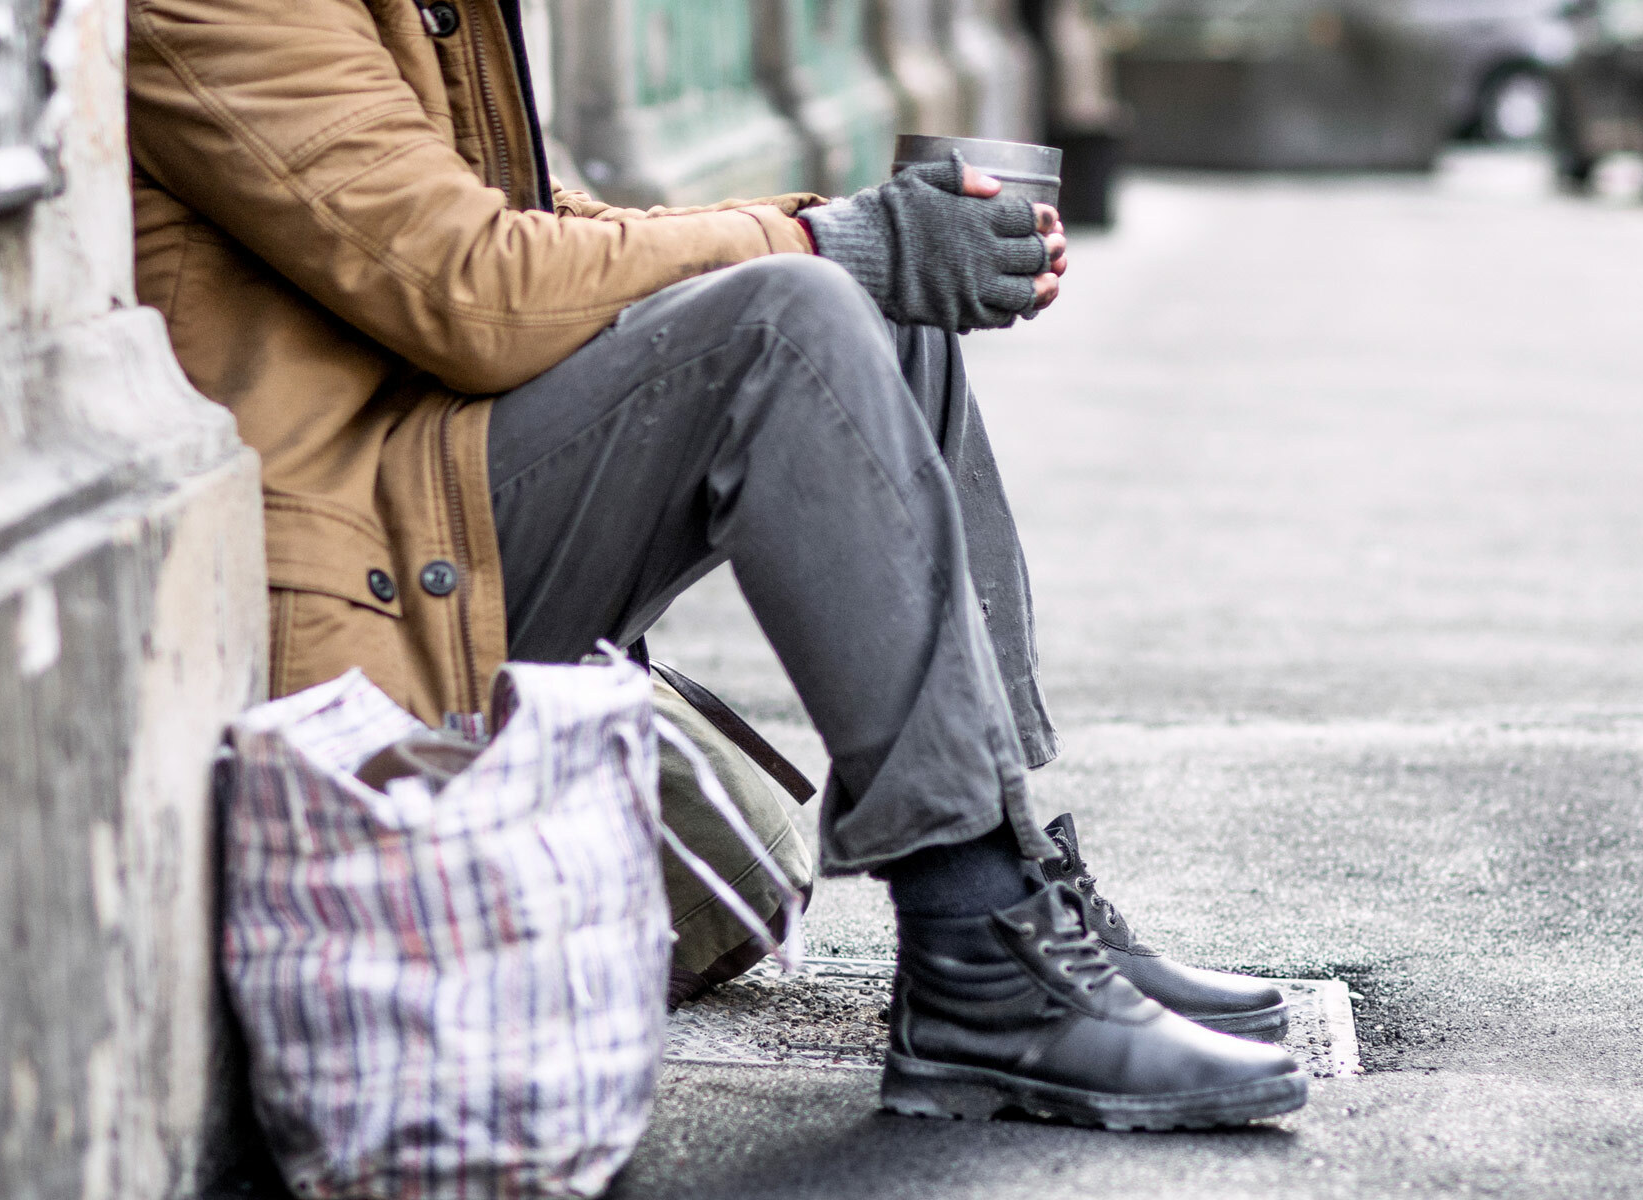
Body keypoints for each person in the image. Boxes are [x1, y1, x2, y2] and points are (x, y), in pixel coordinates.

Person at [126, 0, 1307, 1128]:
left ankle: (1010, 884)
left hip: (432, 496)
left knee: (866, 297)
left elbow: (538, 227)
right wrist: (811, 244)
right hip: (356, 572)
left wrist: (856, 231)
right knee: (790, 318)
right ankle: (983, 959)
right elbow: (469, 286)